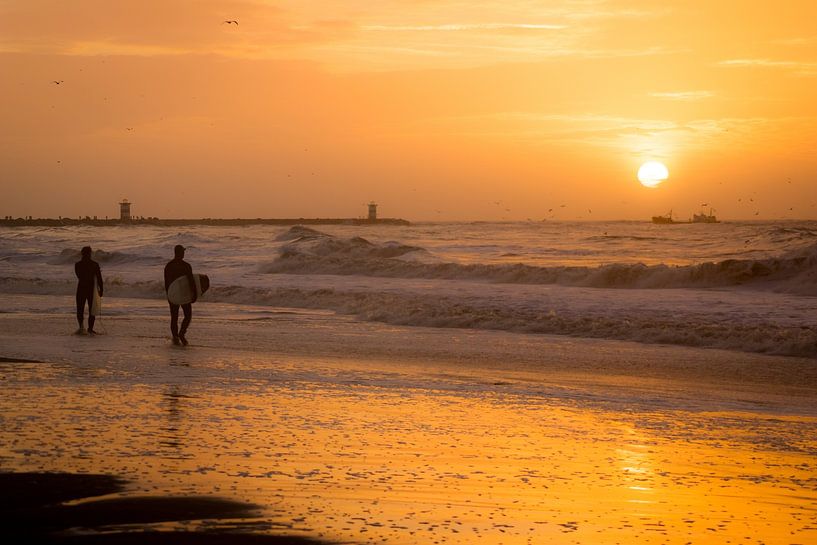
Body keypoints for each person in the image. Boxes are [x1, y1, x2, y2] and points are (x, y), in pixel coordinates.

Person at [164, 244, 196, 346]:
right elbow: (191, 282)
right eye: (183, 252)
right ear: (181, 253)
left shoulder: (168, 266)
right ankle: (182, 333)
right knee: (188, 315)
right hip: (184, 295)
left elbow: (167, 283)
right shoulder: (186, 266)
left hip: (173, 294)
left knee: (174, 317)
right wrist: (194, 294)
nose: (184, 253)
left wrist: (169, 296)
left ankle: (175, 337)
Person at [75, 246, 103, 335]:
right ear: (90, 253)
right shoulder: (94, 264)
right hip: (91, 289)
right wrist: (101, 289)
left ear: (82, 253)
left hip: (81, 288)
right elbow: (99, 279)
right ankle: (90, 329)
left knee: (80, 309)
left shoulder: (78, 264)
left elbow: (79, 276)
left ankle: (81, 327)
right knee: (92, 309)